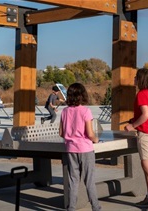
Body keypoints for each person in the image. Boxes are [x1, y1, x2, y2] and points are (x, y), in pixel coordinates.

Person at [59, 83, 101, 211]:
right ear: (83, 95)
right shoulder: (86, 111)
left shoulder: (64, 111)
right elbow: (90, 133)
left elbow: (61, 133)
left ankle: (71, 208)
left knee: (73, 180)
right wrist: (96, 139)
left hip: (71, 149)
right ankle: (96, 207)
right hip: (86, 149)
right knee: (89, 180)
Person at [124, 68, 148, 208]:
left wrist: (133, 126)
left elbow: (146, 115)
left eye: (136, 77)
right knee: (146, 165)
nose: (134, 79)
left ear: (141, 80)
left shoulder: (141, 94)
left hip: (146, 133)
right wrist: (134, 120)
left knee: (146, 164)